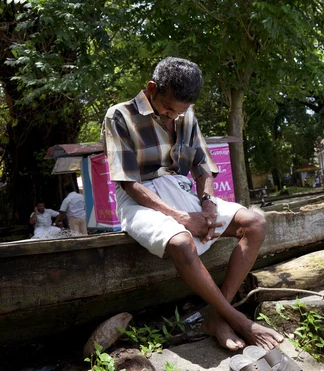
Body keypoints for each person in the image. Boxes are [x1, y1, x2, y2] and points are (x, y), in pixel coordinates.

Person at [101, 57, 283, 351]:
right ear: (151, 88)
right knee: (182, 243)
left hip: (179, 190)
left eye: (180, 112)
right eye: (168, 108)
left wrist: (208, 203)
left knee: (255, 222)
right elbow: (127, 182)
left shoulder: (185, 114)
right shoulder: (119, 115)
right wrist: (182, 218)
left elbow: (202, 166)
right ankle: (236, 318)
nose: (173, 117)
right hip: (139, 198)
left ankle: (216, 315)